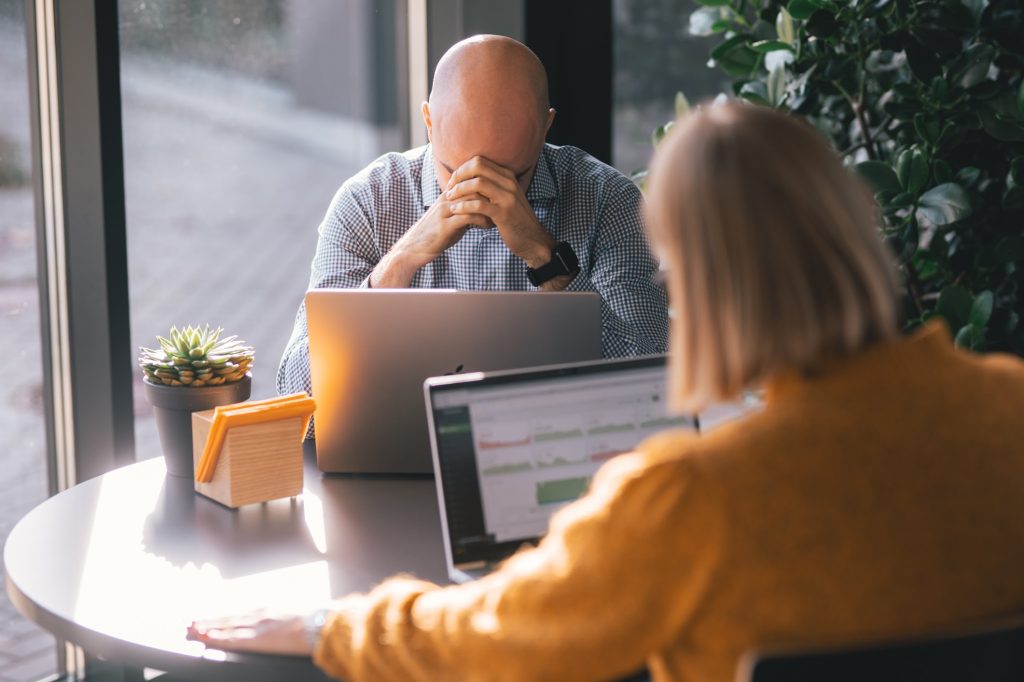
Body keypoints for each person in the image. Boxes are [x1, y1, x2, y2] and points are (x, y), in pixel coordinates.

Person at [189, 103, 1024, 681]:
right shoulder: (1009, 409)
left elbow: (491, 638)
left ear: (703, 284)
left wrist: (326, 626)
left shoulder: (686, 505)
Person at [276, 34, 668, 401]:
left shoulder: (607, 201)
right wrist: (398, 264)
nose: (483, 196)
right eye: (456, 173)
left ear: (546, 126)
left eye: (511, 177)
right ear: (428, 122)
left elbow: (650, 384)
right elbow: (298, 398)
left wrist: (548, 260)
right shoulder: (369, 202)